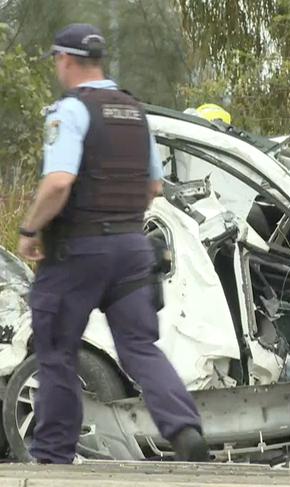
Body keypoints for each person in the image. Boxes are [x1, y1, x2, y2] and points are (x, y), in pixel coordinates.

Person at [17, 23, 209, 464]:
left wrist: (30, 231)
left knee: (56, 351)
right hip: (130, 249)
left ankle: (52, 455)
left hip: (77, 253)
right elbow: (152, 188)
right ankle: (185, 430)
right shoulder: (135, 112)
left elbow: (59, 182)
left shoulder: (70, 111)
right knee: (139, 348)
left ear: (64, 60)